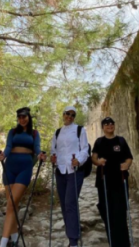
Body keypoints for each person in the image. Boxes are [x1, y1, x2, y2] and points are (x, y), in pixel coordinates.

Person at [0, 107, 46, 247]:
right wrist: (2, 156)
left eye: (24, 117)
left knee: (11, 204)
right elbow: (8, 147)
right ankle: (15, 238)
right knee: (13, 206)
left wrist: (41, 154)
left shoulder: (35, 133)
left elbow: (37, 148)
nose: (22, 119)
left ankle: (3, 243)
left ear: (28, 117)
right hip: (9, 168)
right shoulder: (12, 132)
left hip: (25, 168)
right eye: (19, 117)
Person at [50, 106, 89, 247]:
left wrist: (78, 159)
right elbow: (53, 149)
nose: (70, 117)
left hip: (75, 171)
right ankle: (72, 233)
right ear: (63, 114)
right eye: (67, 114)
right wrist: (52, 157)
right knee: (64, 205)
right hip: (60, 171)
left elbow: (85, 149)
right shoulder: (57, 132)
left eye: (73, 115)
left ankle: (73, 241)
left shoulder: (80, 130)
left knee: (70, 203)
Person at [92, 116, 133, 247]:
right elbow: (94, 158)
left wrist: (126, 165)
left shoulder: (121, 141)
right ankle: (113, 242)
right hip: (104, 181)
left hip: (120, 181)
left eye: (111, 123)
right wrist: (98, 162)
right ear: (103, 127)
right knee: (106, 211)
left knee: (120, 212)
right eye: (106, 124)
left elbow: (129, 158)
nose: (109, 125)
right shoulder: (99, 142)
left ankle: (124, 243)